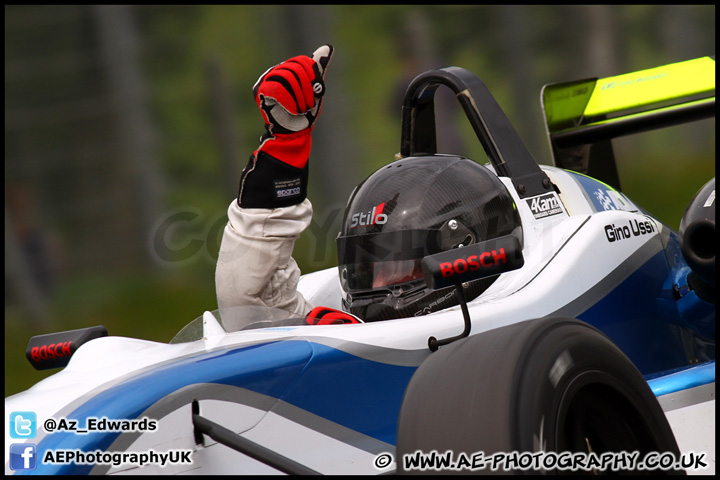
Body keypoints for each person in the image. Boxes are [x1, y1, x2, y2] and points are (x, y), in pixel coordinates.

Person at [215, 45, 523, 324]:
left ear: (465, 257)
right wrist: (286, 147)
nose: (374, 287)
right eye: (365, 271)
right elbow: (250, 306)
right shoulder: (348, 335)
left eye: (396, 270)